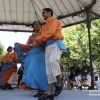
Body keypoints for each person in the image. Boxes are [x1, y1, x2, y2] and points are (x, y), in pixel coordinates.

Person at [32, 8, 66, 100]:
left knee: (53, 62)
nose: (42, 14)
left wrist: (38, 38)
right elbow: (40, 39)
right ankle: (50, 93)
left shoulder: (54, 20)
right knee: (49, 70)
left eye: (44, 13)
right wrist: (35, 39)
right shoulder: (43, 27)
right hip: (47, 47)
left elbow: (51, 32)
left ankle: (59, 83)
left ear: (49, 13)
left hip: (55, 44)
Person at [15, 21, 50, 97]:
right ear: (33, 27)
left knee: (39, 70)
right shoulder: (31, 37)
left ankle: (42, 90)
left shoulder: (43, 34)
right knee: (32, 69)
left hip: (41, 52)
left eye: (39, 24)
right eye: (35, 24)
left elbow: (46, 43)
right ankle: (40, 90)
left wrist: (36, 39)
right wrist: (19, 45)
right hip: (32, 53)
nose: (37, 25)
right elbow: (27, 46)